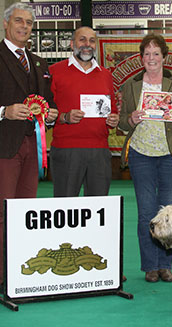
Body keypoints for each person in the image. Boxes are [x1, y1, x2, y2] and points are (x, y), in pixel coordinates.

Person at [119, 34, 172, 283]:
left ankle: (165, 265)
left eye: (156, 53)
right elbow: (122, 122)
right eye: (147, 54)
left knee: (169, 214)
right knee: (146, 213)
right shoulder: (131, 84)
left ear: (164, 56)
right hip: (141, 154)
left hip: (170, 156)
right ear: (141, 58)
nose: (151, 58)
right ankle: (149, 266)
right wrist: (131, 119)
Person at [0, 2, 58, 291]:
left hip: (33, 145)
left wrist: (51, 114)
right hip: (4, 147)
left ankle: (21, 267)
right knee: (2, 210)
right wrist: (3, 111)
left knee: (25, 211)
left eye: (29, 23)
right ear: (6, 24)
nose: (24, 27)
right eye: (19, 21)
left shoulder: (39, 62)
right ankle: (1, 275)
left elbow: (47, 100)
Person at [49, 27, 119, 197]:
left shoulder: (106, 75)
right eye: (82, 40)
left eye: (92, 40)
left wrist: (114, 119)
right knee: (64, 208)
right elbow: (46, 111)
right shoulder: (55, 71)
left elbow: (113, 110)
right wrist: (65, 117)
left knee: (98, 208)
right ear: (72, 43)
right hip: (66, 150)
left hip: (99, 151)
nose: (87, 44)